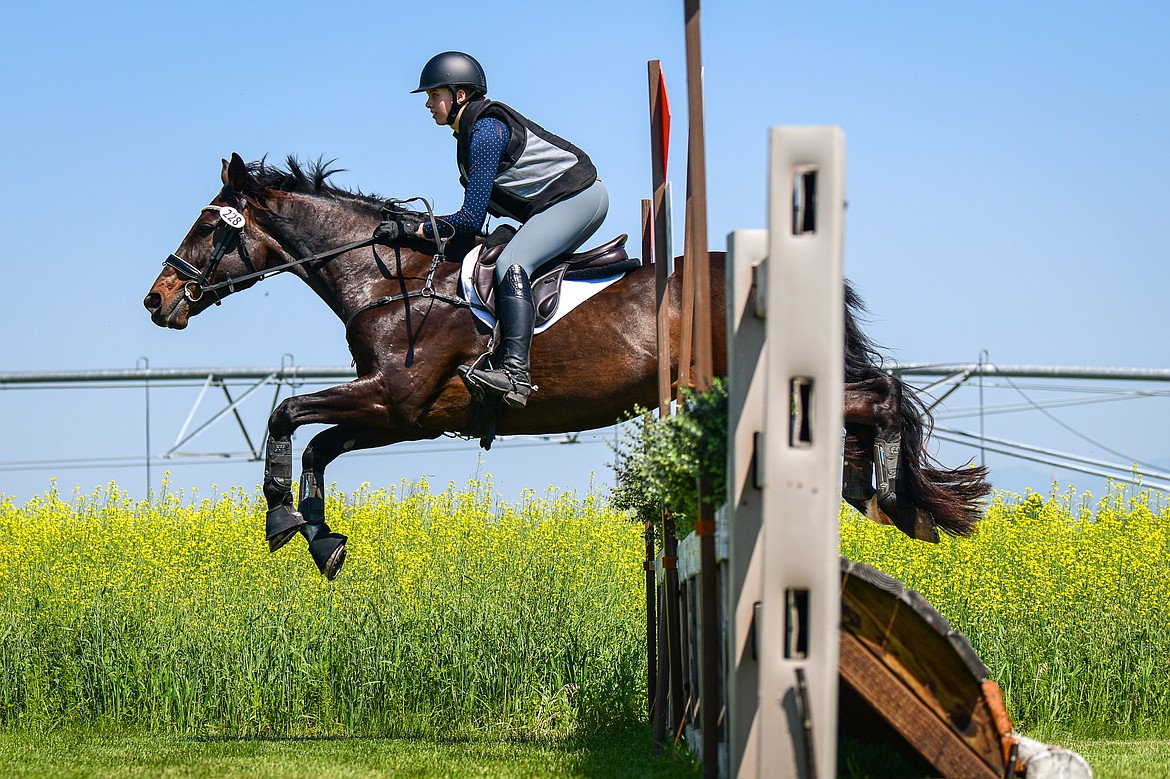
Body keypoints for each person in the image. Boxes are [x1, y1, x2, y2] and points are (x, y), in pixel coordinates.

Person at [375, 51, 608, 408]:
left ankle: (515, 373)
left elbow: (467, 221)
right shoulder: (470, 138)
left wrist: (415, 228)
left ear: (460, 96)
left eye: (434, 95)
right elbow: (470, 230)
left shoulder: (485, 131)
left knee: (511, 264)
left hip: (577, 199)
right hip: (555, 205)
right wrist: (416, 229)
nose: (428, 104)